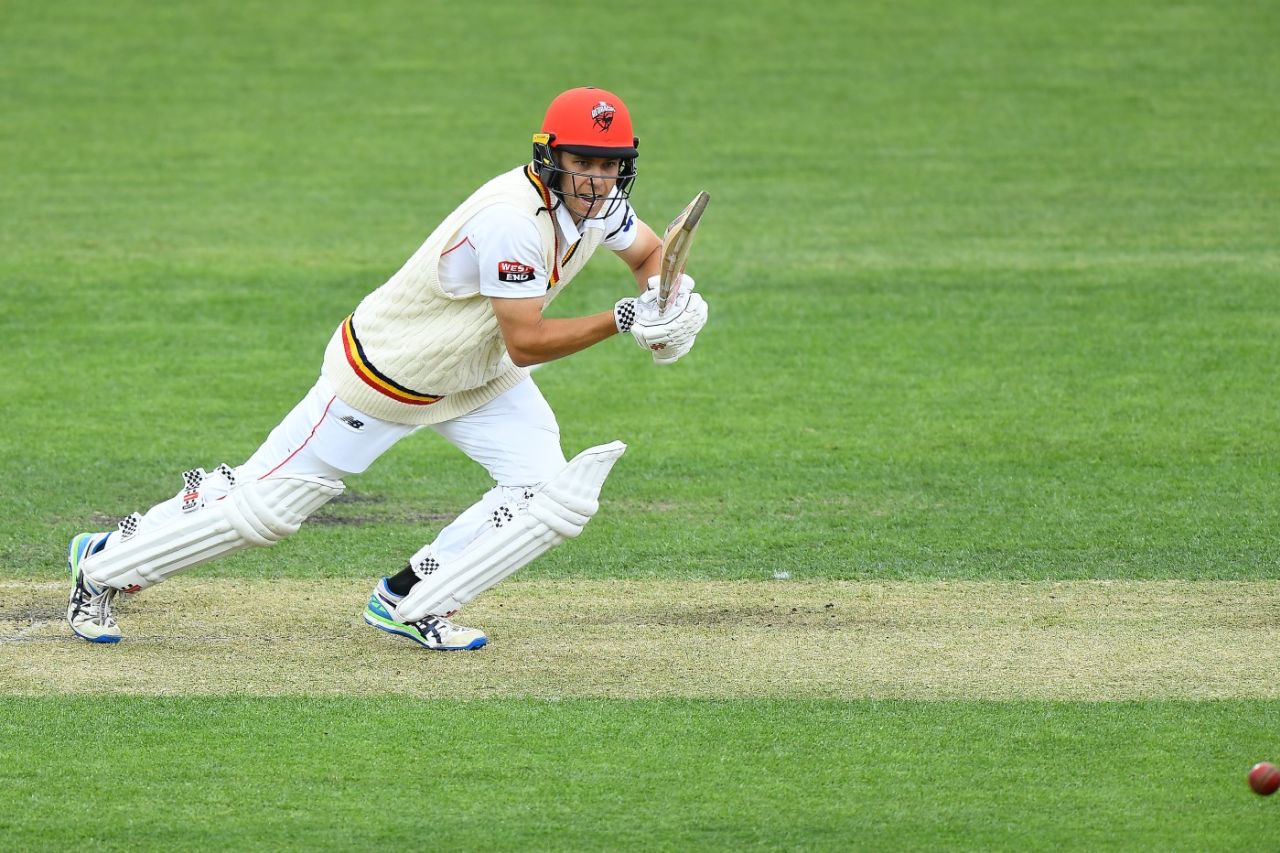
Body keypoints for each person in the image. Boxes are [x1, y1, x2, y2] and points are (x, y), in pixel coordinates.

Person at [65, 86, 709, 651]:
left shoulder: (599, 207)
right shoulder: (513, 221)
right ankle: (104, 563)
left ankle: (411, 597)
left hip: (479, 375)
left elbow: (649, 253)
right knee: (265, 507)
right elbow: (527, 342)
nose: (595, 179)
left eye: (608, 165)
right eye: (582, 163)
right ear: (550, 158)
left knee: (545, 495)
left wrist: (668, 301)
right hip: (387, 374)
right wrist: (624, 319)